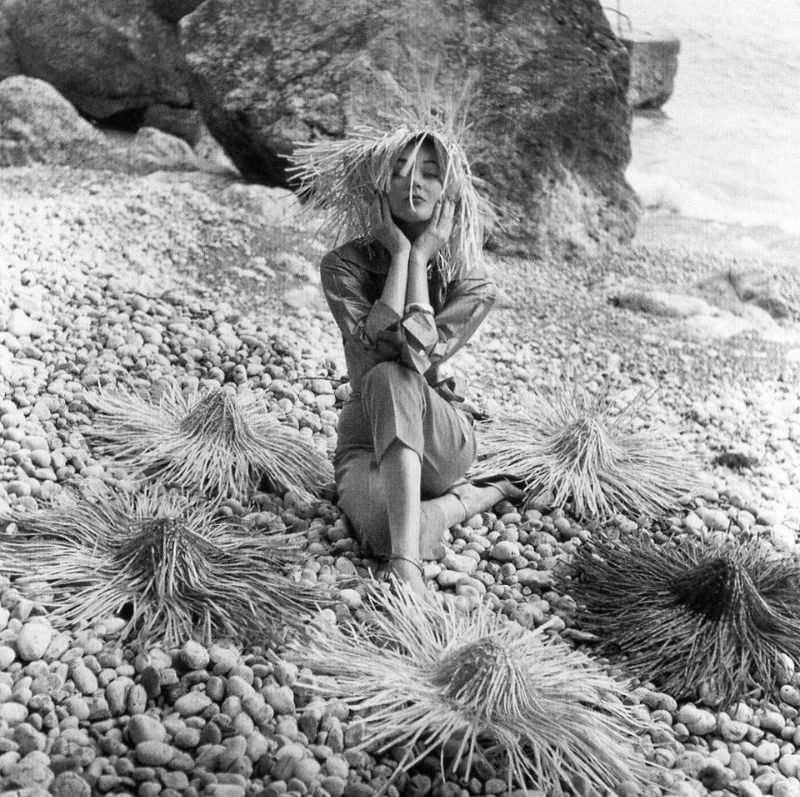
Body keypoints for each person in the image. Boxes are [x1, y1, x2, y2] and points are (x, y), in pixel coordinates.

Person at [292, 122, 520, 593]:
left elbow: (416, 361)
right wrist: (400, 255)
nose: (413, 182)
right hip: (366, 438)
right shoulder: (343, 267)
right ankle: (466, 503)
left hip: (441, 435)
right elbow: (373, 348)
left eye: (430, 174)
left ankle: (406, 568)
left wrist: (420, 260)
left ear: (449, 196)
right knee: (382, 529)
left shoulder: (472, 284)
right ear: (378, 186)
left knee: (393, 379)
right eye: (399, 171)